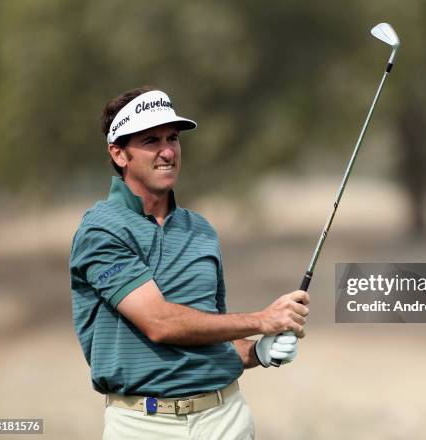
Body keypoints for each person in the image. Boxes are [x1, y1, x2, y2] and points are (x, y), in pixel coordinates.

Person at [69, 86, 310, 440]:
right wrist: (263, 319)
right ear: (119, 154)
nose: (168, 151)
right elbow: (160, 323)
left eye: (173, 138)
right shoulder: (101, 230)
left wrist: (258, 349)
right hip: (144, 424)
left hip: (226, 417)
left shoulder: (200, 230)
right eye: (151, 141)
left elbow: (209, 333)